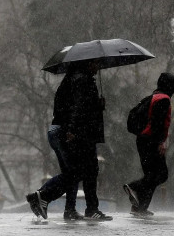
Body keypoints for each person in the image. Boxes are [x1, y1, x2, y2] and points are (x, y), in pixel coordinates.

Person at [26, 60, 112, 221]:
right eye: (95, 63)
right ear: (86, 64)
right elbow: (78, 108)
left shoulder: (70, 80)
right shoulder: (82, 80)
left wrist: (97, 105)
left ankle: (69, 209)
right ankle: (43, 196)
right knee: (84, 171)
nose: (97, 66)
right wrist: (72, 129)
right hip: (74, 132)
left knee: (73, 171)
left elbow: (73, 106)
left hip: (58, 130)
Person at [123, 73, 174, 216]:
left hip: (142, 139)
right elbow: (158, 123)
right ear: (170, 87)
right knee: (161, 174)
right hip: (151, 140)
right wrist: (161, 142)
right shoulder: (164, 99)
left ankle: (139, 207)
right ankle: (134, 187)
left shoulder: (151, 97)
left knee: (151, 175)